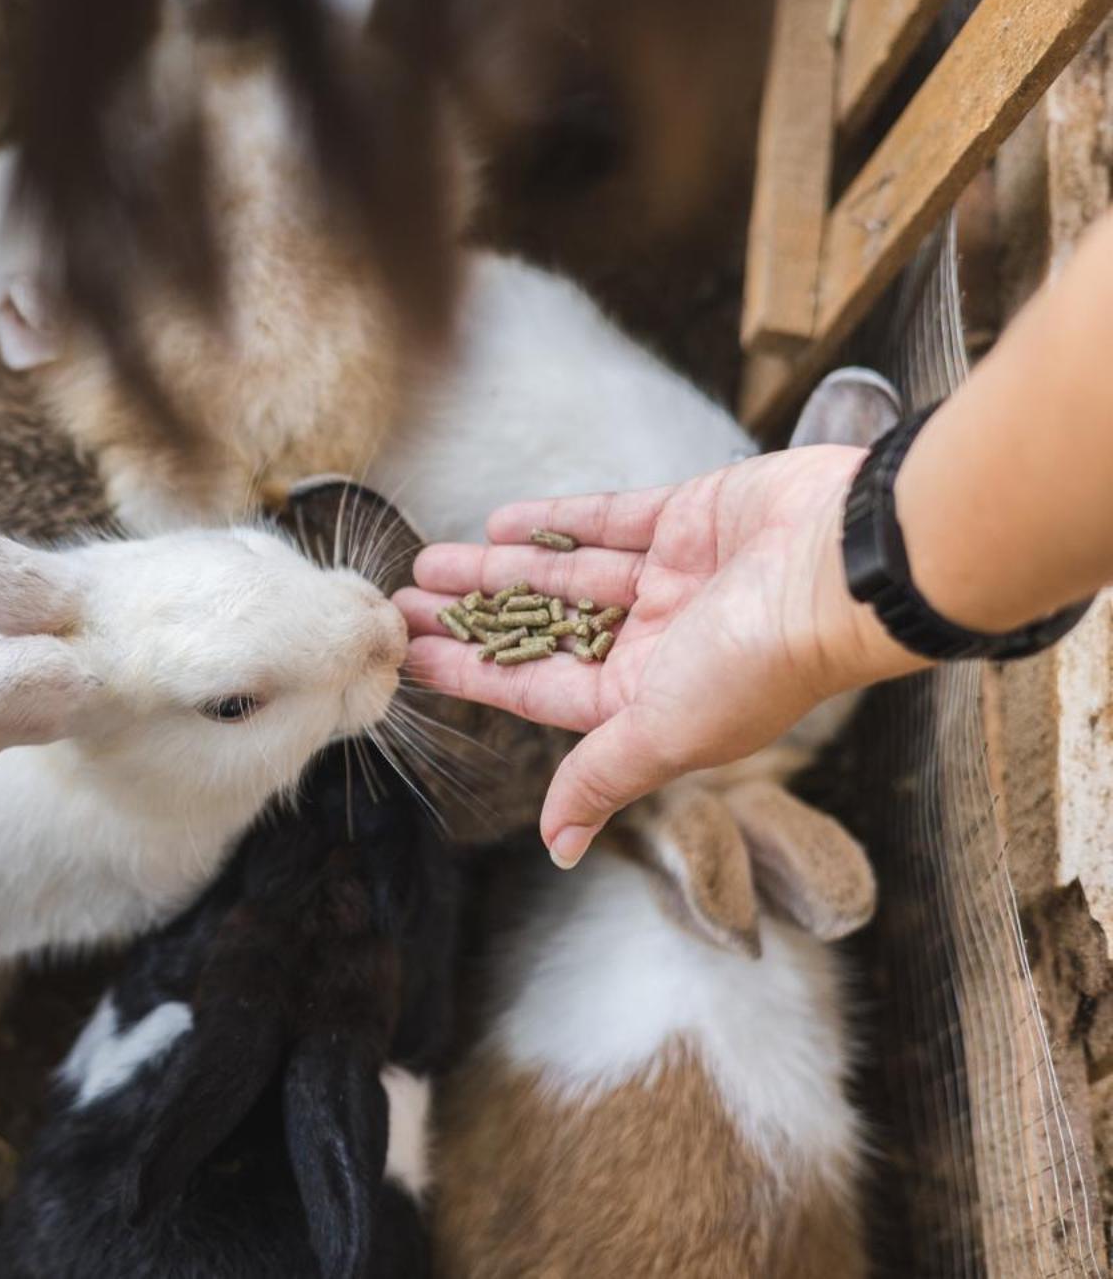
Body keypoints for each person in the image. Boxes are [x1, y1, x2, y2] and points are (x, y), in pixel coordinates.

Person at [398, 207, 1113, 868]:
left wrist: (834, 585)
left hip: (489, 323)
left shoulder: (706, 497)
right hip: (434, 386)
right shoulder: (679, 542)